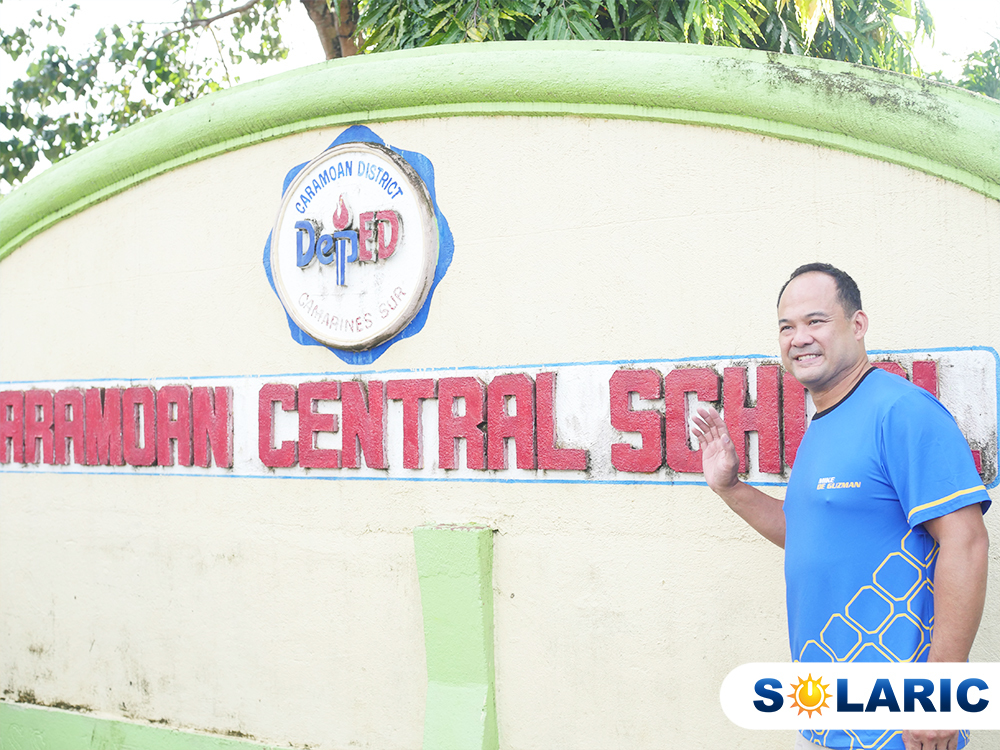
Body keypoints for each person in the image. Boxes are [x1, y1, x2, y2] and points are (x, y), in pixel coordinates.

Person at [692, 263, 990, 750]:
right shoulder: (824, 422)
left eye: (816, 321)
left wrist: (939, 696)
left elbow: (967, 542)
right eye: (786, 327)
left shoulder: (901, 410)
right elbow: (807, 533)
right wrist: (730, 488)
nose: (799, 338)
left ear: (858, 324)